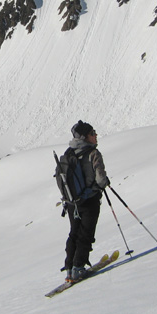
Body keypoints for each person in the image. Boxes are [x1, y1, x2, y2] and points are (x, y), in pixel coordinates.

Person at [63, 120, 110, 282]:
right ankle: (79, 267)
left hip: (71, 203)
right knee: (86, 234)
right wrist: (104, 184)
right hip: (89, 200)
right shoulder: (93, 153)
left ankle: (69, 268)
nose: (96, 136)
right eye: (92, 133)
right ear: (85, 137)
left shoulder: (69, 153)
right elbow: (100, 179)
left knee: (74, 233)